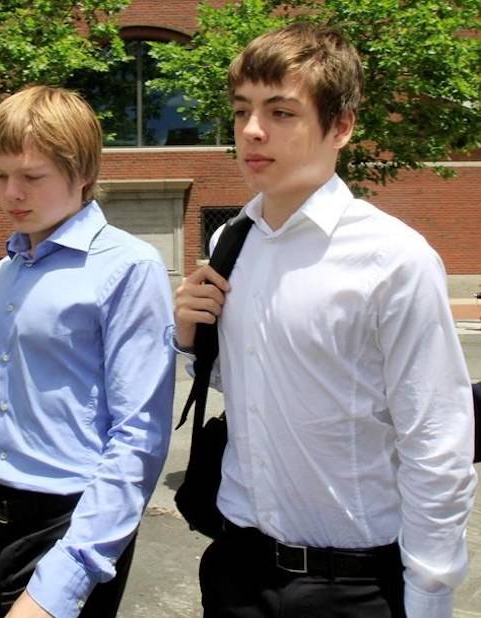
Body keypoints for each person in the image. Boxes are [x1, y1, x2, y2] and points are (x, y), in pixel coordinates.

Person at [174, 23, 477, 618]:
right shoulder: (231, 242)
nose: (252, 131)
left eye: (281, 112)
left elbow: (436, 439)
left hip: (351, 586)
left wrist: (429, 595)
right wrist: (189, 341)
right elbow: (260, 388)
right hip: (235, 570)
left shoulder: (394, 259)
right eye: (241, 111)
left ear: (341, 126)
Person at [0, 85, 175, 618]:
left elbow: (139, 436)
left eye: (31, 176)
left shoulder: (128, 267)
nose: (11, 193)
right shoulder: (7, 271)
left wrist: (66, 577)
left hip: (73, 521)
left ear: (83, 173)